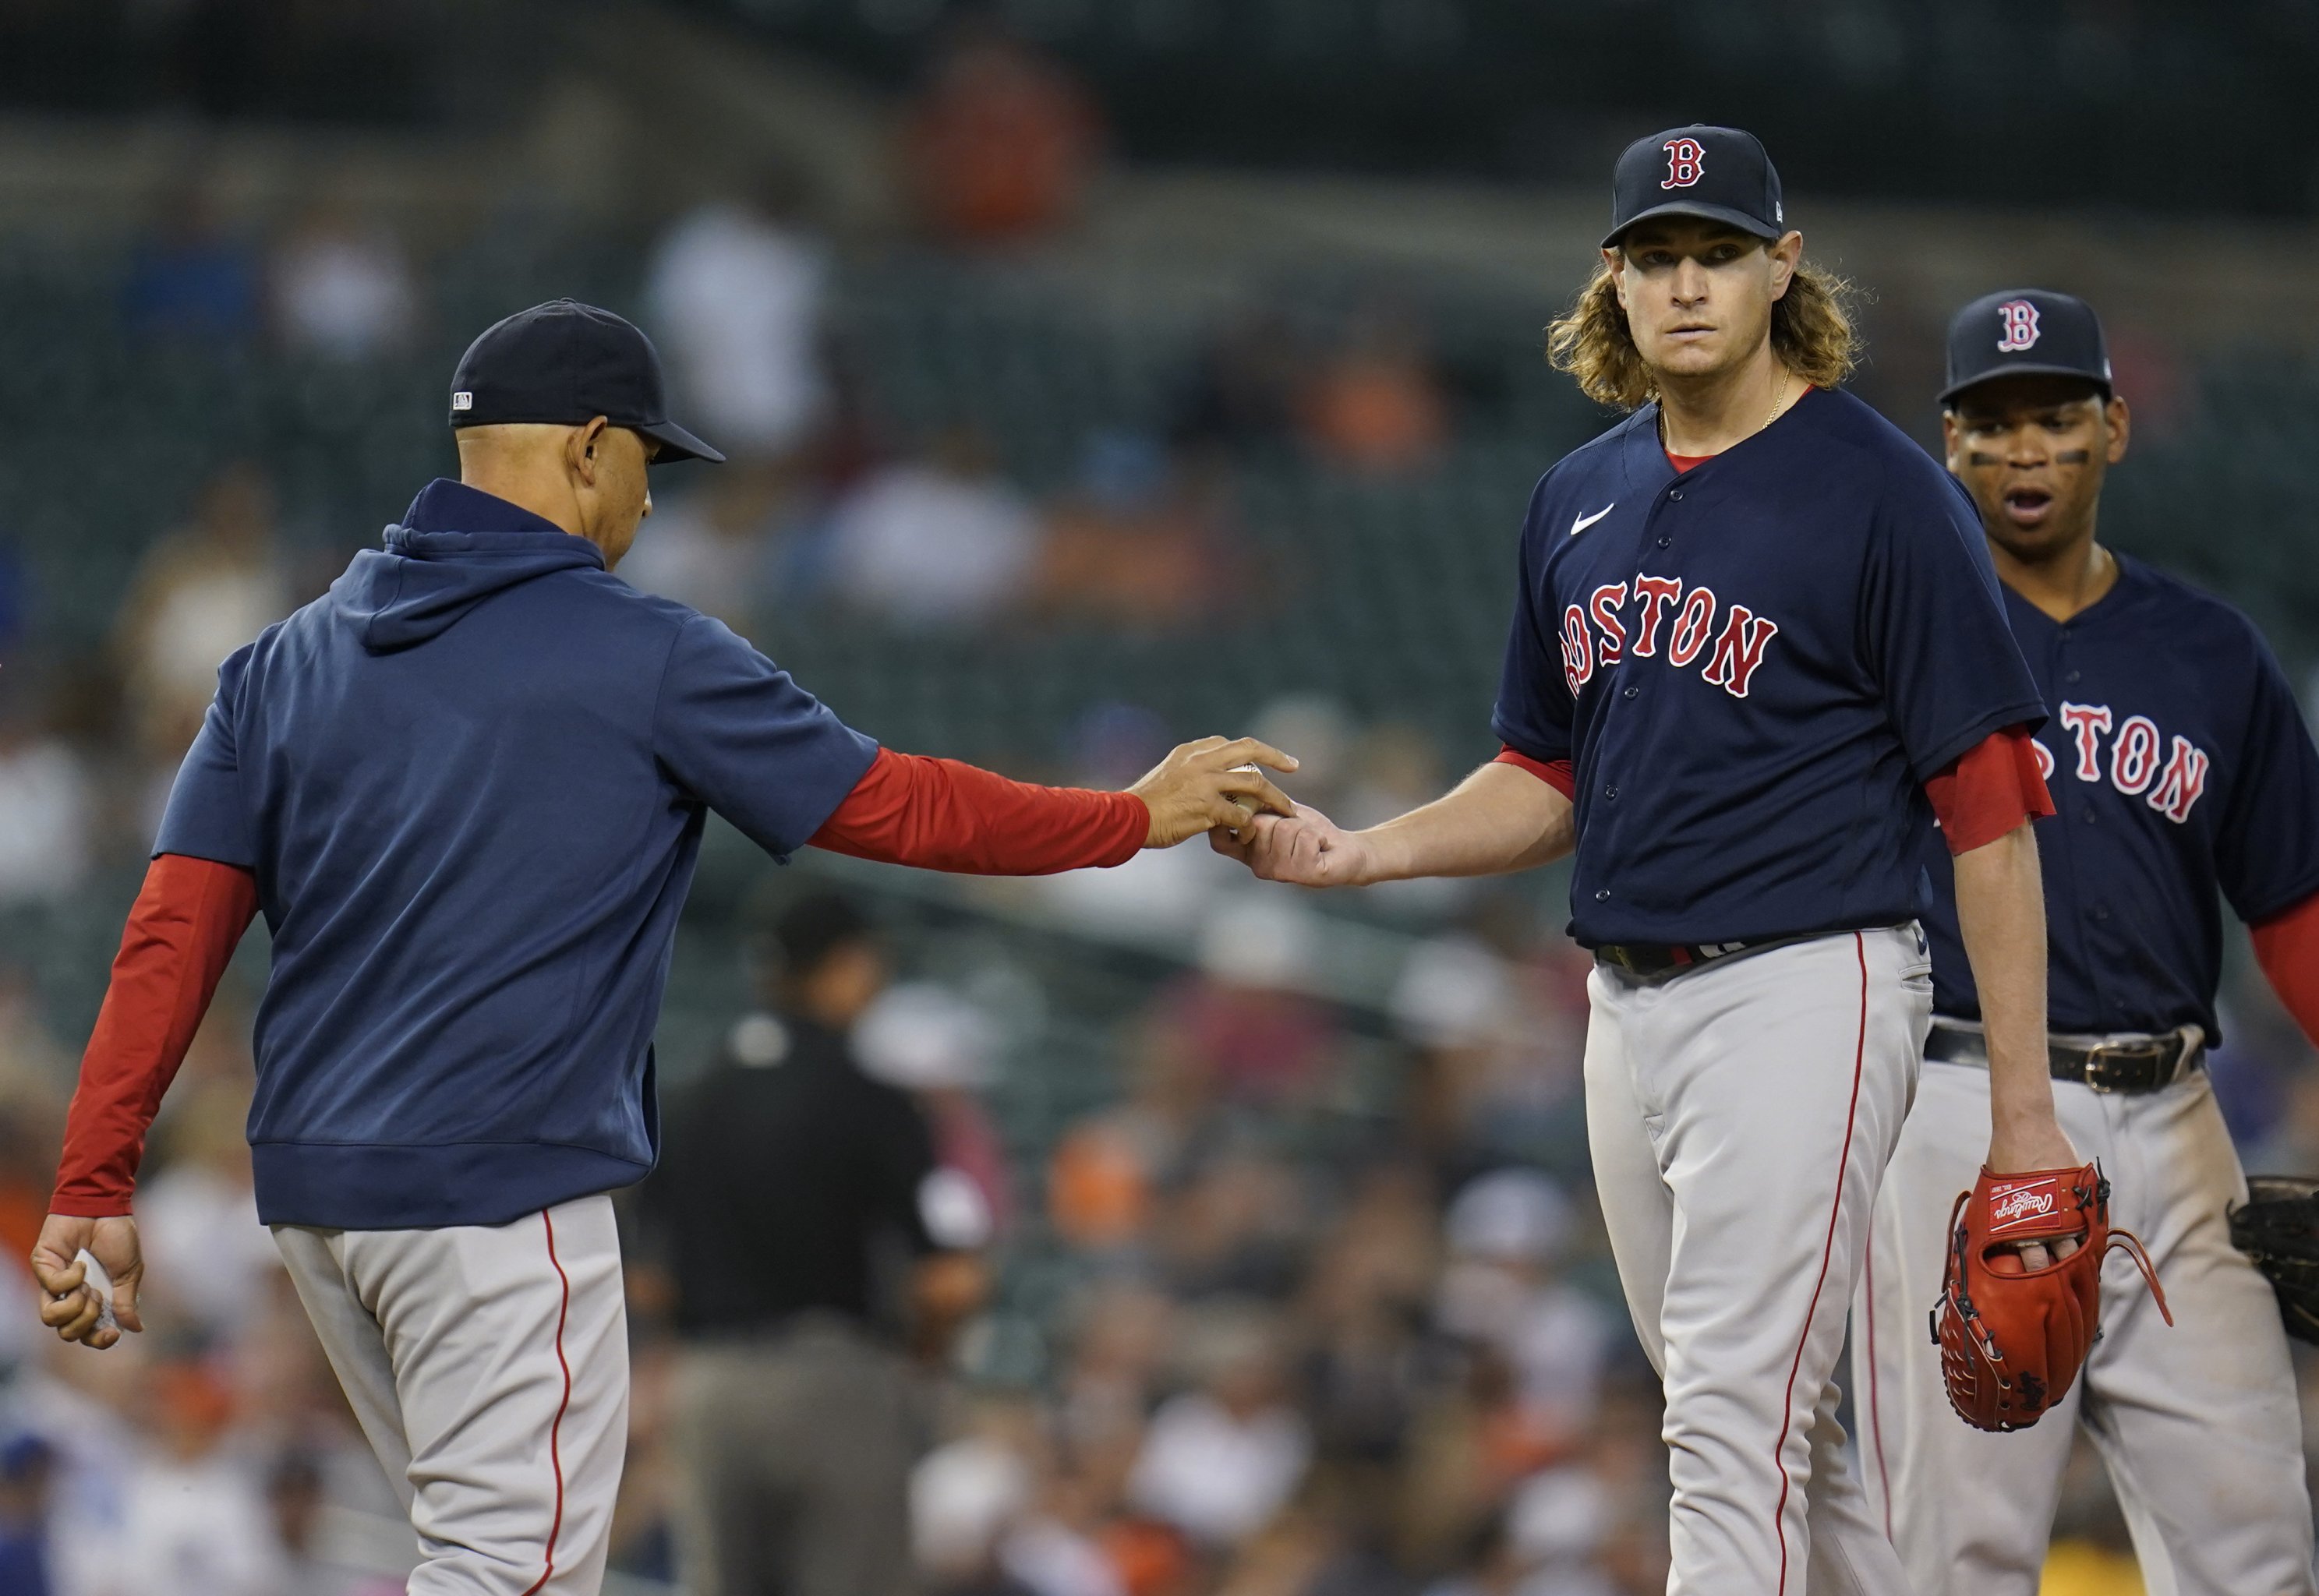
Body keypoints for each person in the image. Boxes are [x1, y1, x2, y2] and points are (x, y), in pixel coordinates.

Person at [27, 298, 1297, 1595]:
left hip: (318, 1197)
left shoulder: (278, 663)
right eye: (646, 457)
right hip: (494, 1194)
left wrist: (93, 1178)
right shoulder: (644, 651)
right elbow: (898, 806)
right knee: (508, 1579)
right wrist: (1129, 816)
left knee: (467, 1561)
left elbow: (171, 931)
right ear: (587, 449)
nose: (648, 496)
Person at [1216, 125, 2077, 1594]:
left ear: (1781, 269)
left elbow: (1989, 810)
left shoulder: (1879, 492)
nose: (1689, 286)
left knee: (1730, 1424)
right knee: (1762, 1430)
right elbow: (1546, 774)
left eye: (1719, 255)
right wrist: (1362, 853)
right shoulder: (1577, 496)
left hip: (1813, 984)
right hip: (1625, 1009)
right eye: (1660, 258)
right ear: (1612, 280)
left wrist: (2023, 1117)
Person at [1850, 289, 2319, 1595]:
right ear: (1949, 443)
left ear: (2113, 426)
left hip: (2176, 1114)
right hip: (1954, 1112)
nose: (2024, 448)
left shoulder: (2210, 651)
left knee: (2259, 1544)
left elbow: (2293, 903)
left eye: (2055, 415)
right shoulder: (1882, 644)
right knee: (1957, 1554)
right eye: (1991, 423)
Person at [638, 893, 985, 1596]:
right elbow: (947, 1283)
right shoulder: (874, 1101)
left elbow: (648, 1281)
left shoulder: (692, 1096)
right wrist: (919, 1365)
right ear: (848, 967)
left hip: (708, 1385)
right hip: (832, 1379)